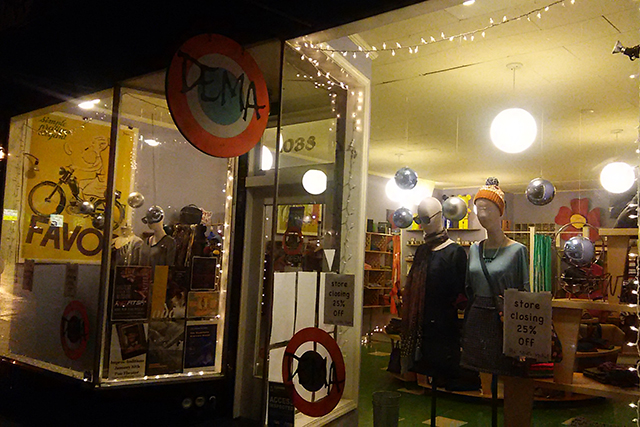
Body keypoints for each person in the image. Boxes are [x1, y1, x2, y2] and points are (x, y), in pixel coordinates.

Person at [461, 177, 533, 426]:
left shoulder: (517, 250)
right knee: (483, 381)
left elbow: (524, 292)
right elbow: (468, 287)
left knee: (508, 377)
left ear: (500, 211)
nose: (482, 214)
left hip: (504, 320)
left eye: (488, 208)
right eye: (478, 208)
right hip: (477, 319)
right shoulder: (474, 249)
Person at [400, 197, 468, 388]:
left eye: (426, 219)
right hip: (421, 325)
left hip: (443, 327)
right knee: (424, 366)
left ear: (438, 216)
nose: (423, 224)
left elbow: (460, 291)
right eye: (419, 219)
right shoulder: (422, 251)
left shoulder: (455, 252)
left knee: (442, 370)